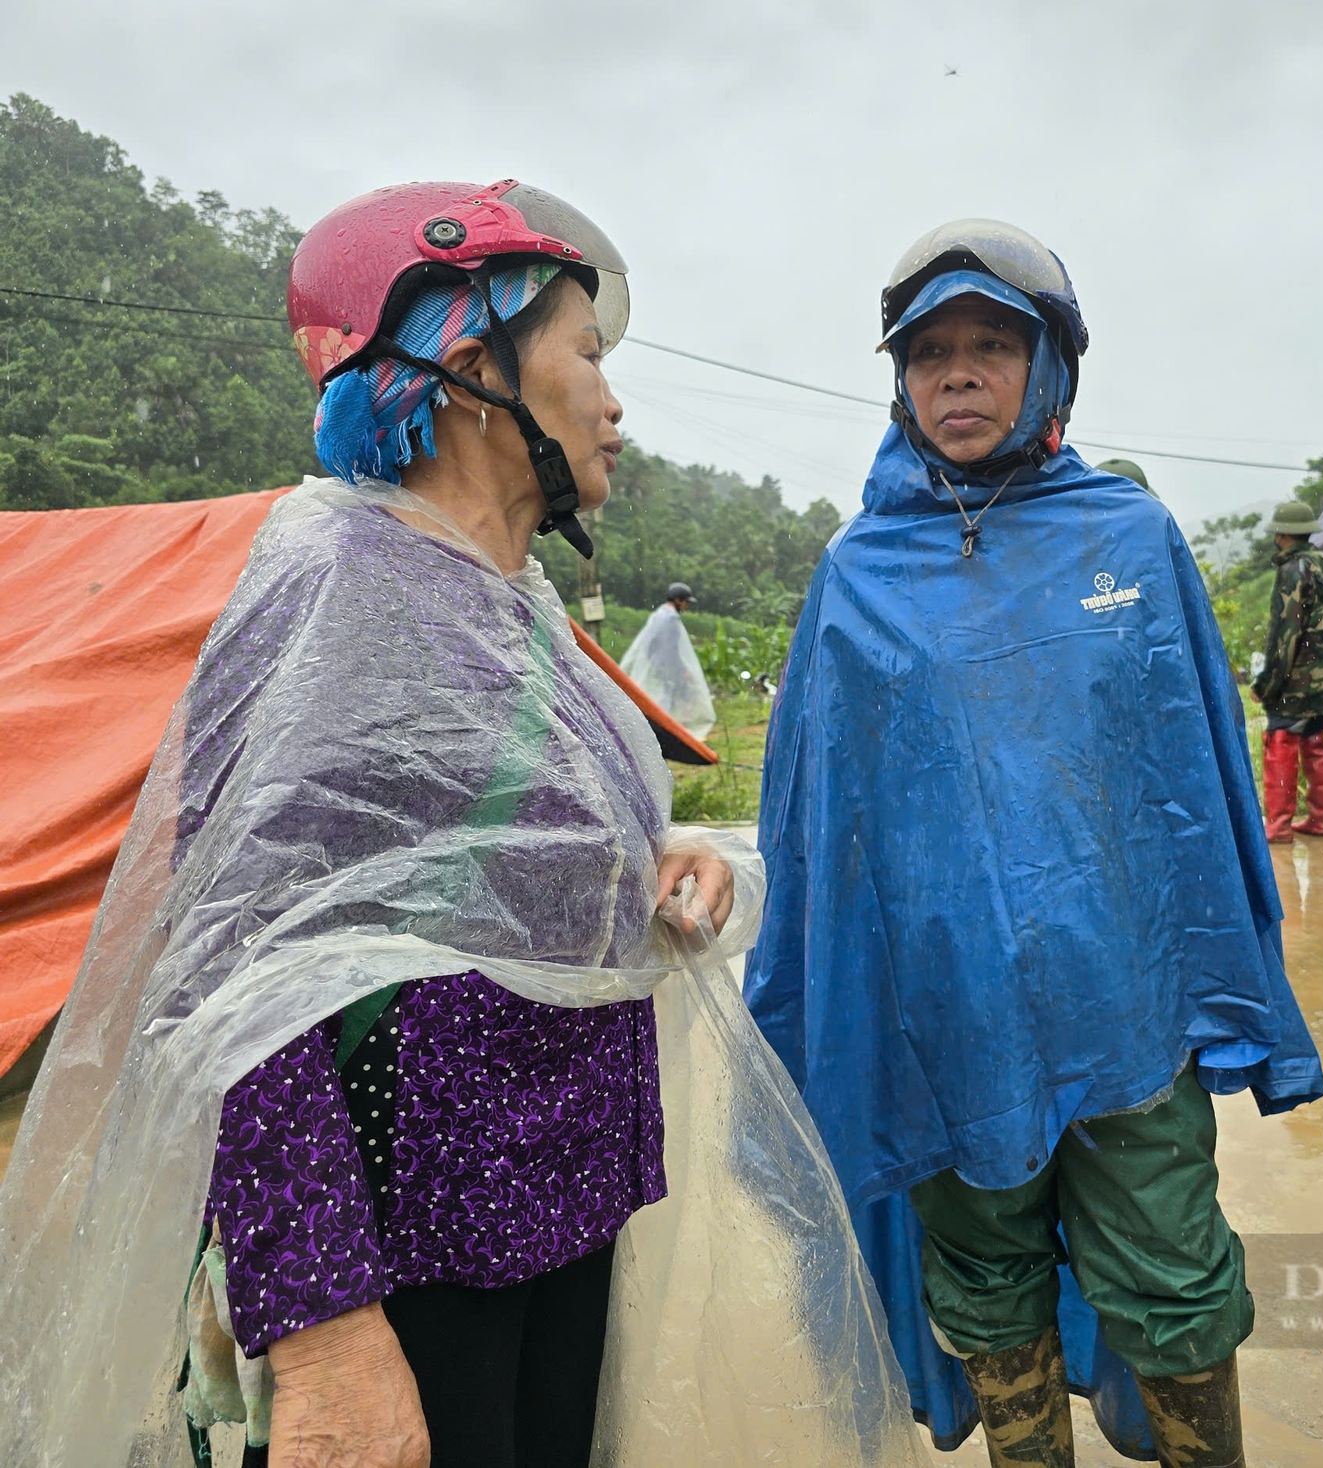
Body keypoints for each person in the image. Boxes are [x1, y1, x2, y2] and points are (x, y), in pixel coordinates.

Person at [0, 181, 841, 1468]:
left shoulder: (511, 603)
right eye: (588, 355)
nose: (613, 403)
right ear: (469, 366)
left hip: (557, 1201)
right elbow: (235, 969)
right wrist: (322, 1322)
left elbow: (463, 871)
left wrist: (651, 865)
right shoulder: (341, 586)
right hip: (414, 1245)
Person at [746, 219, 1323, 1468]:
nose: (956, 375)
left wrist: (1224, 982)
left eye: (990, 346)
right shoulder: (858, 573)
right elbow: (815, 819)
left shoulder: (1127, 540)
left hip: (1125, 1004)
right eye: (928, 353)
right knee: (983, 1277)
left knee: (1170, 1265)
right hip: (945, 1020)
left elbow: (1196, 787)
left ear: (1051, 366)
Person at [1252, 501, 1323, 843]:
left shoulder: (1293, 570)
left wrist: (1268, 683)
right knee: (1316, 741)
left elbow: (1286, 633)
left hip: (1295, 679)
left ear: (1281, 534)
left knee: (1281, 742)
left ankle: (1277, 825)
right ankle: (1318, 819)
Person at [620, 579, 718, 739]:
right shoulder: (670, 619)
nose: (686, 606)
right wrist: (681, 669)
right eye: (685, 602)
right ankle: (665, 735)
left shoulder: (659, 614)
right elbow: (670, 649)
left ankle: (661, 733)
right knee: (670, 700)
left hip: (659, 665)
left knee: (662, 698)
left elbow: (652, 646)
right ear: (678, 600)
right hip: (668, 666)